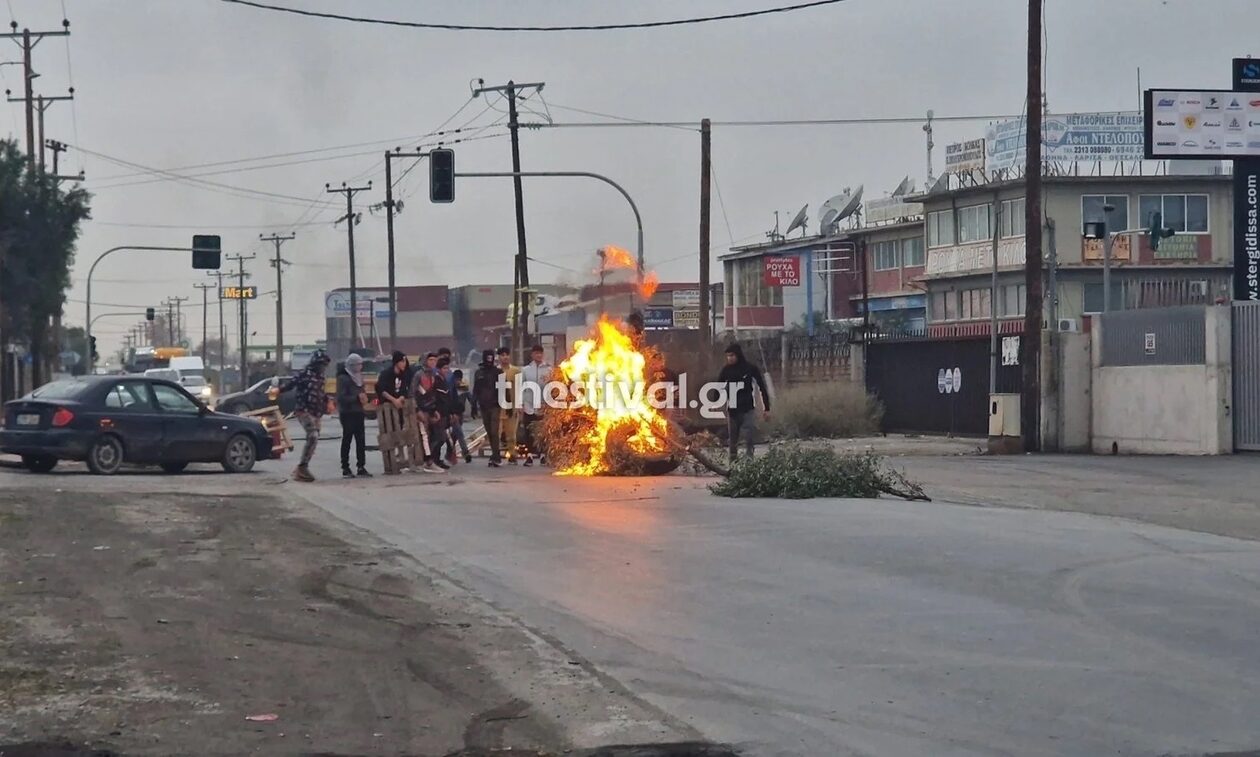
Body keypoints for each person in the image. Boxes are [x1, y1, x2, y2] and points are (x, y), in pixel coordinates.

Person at [718, 343, 771, 461]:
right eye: (727, 356)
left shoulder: (750, 369)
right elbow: (718, 387)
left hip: (748, 409)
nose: (729, 358)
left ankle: (749, 463)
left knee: (749, 438)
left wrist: (766, 409)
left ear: (738, 355)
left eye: (732, 355)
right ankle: (733, 464)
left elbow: (762, 388)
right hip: (732, 411)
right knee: (733, 440)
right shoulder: (726, 370)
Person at [289, 348, 331, 482]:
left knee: (314, 439)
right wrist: (279, 389)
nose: (323, 368)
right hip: (304, 410)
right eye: (321, 365)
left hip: (316, 412)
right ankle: (302, 467)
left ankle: (301, 467)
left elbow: (321, 393)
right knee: (312, 435)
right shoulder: (305, 374)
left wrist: (328, 402)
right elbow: (291, 383)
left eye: (324, 365)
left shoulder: (321, 378)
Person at [336, 354, 372, 479]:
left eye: (361, 364)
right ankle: (345, 467)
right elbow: (341, 397)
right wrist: (356, 398)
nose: (360, 367)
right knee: (347, 439)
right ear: (351, 365)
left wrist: (364, 398)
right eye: (358, 364)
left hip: (359, 412)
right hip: (347, 413)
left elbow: (362, 391)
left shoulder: (359, 377)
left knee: (360, 440)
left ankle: (361, 466)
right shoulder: (343, 378)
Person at [411, 352, 447, 473]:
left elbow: (432, 395)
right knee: (424, 435)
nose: (433, 362)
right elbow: (412, 394)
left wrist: (434, 410)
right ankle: (428, 461)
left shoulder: (433, 375)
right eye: (430, 360)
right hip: (420, 410)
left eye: (435, 360)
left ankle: (430, 459)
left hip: (430, 409)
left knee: (436, 436)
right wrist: (417, 410)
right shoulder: (418, 375)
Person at [518, 345, 550, 467]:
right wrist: (520, 404)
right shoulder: (525, 370)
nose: (538, 355)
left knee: (542, 432)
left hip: (543, 405)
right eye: (536, 353)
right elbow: (521, 387)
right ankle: (530, 456)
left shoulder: (549, 369)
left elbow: (552, 387)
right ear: (532, 355)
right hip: (529, 405)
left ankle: (543, 455)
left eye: (540, 353)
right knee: (529, 431)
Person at [473, 349, 503, 467]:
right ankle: (495, 454)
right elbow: (476, 390)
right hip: (484, 406)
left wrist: (507, 404)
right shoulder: (479, 373)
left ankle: (496, 456)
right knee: (489, 432)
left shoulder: (498, 372)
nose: (489, 359)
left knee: (494, 431)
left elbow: (504, 389)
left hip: (495, 405)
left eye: (491, 357)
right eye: (487, 357)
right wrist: (474, 405)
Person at [497, 347, 522, 463]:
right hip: (497, 408)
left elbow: (519, 388)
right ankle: (496, 454)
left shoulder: (516, 371)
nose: (505, 357)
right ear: (498, 357)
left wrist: (519, 405)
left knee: (511, 434)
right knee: (496, 433)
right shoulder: (495, 371)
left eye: (507, 354)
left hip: (511, 407)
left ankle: (512, 454)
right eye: (502, 355)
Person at [448, 368, 473, 464]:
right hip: (452, 414)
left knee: (455, 435)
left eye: (459, 380)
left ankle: (450, 453)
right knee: (459, 433)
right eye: (456, 380)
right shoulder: (450, 387)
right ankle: (466, 453)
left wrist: (475, 406)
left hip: (460, 414)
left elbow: (470, 398)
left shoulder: (463, 387)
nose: (458, 382)